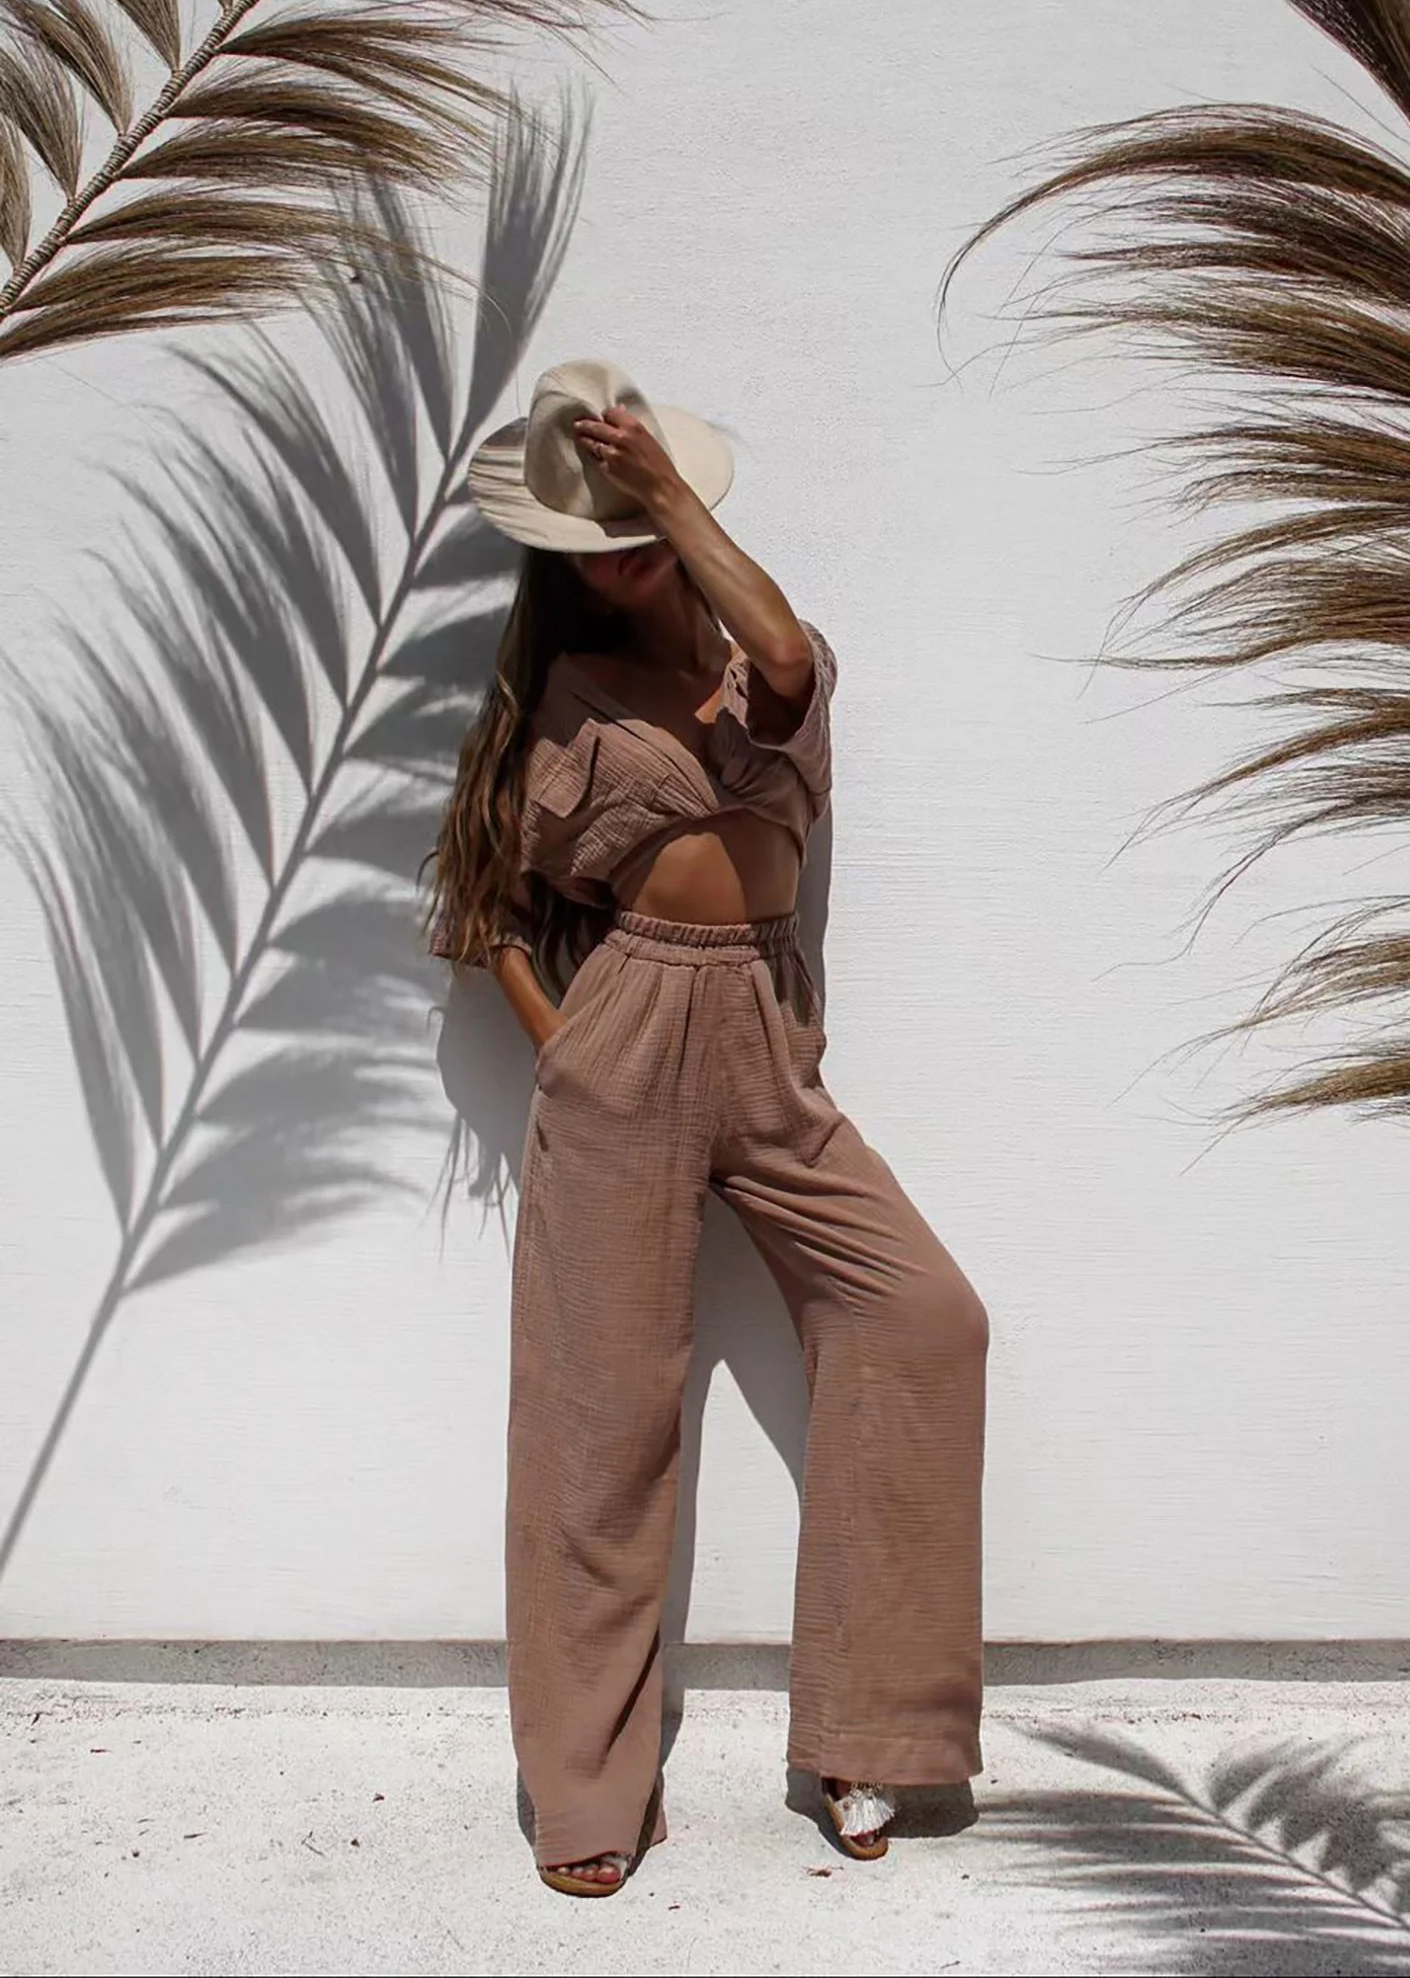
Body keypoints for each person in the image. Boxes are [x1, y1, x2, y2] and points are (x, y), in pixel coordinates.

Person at [428, 361, 989, 1897]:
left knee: (921, 1319)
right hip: (629, 1031)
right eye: (589, 543)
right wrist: (572, 1057)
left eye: (632, 531)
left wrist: (665, 497)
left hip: (765, 1031)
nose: (615, 560)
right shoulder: (566, 694)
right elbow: (487, 914)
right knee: (599, 1423)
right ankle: (588, 1788)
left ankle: (865, 1734)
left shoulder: (765, 664)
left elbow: (789, 656)